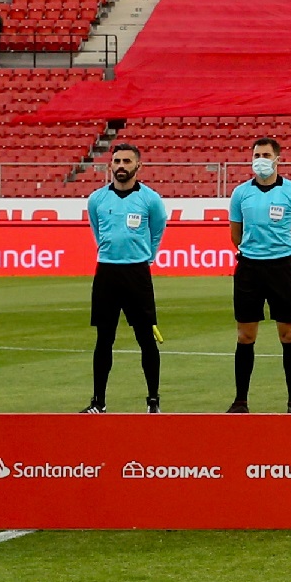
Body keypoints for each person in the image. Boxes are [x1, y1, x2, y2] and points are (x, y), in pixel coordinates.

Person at [227, 138, 291, 414]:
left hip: (280, 269)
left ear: (277, 159)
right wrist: (254, 253)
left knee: (288, 334)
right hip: (249, 269)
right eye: (256, 155)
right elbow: (236, 235)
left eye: (265, 155)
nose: (260, 160)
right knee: (245, 335)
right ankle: (240, 401)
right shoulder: (241, 193)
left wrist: (285, 260)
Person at [84, 144, 168, 414]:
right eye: (117, 161)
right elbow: (98, 232)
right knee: (104, 339)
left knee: (146, 338)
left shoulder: (150, 199)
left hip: (137, 273)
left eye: (127, 161)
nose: (121, 165)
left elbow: (157, 230)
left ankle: (153, 401)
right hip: (107, 273)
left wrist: (145, 257)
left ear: (138, 166)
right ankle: (98, 402)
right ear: (111, 165)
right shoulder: (97, 199)